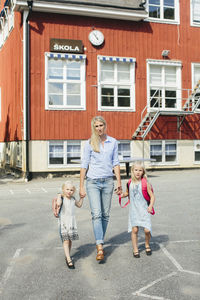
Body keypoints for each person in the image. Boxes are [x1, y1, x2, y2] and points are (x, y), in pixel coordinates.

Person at [79, 116, 122, 261]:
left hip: (108, 181)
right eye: (96, 126)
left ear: (105, 126)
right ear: (93, 127)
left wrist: (119, 183)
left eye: (101, 125)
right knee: (97, 214)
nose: (99, 128)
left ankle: (100, 240)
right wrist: (81, 186)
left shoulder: (113, 142)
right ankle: (100, 246)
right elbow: (84, 165)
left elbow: (115, 163)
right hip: (92, 182)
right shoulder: (89, 143)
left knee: (105, 214)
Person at [120, 161, 155, 258]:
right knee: (134, 230)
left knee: (147, 230)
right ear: (132, 171)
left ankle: (147, 244)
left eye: (140, 170)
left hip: (144, 210)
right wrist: (121, 195)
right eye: (136, 170)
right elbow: (127, 193)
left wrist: (150, 206)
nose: (138, 172)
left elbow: (152, 197)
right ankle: (135, 249)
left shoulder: (146, 183)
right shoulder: (129, 183)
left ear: (143, 172)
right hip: (134, 210)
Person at [56, 181, 83, 269]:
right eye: (67, 189)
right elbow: (58, 203)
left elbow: (79, 205)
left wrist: (82, 198)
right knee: (66, 240)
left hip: (71, 222)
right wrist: (59, 195)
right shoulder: (62, 198)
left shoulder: (73, 199)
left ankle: (68, 255)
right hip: (64, 221)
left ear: (73, 191)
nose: (69, 191)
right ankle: (68, 258)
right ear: (63, 189)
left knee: (70, 240)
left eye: (71, 190)